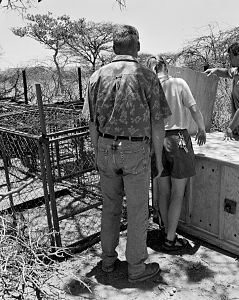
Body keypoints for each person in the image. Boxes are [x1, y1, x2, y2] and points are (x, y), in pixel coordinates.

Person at [85, 25, 171, 283]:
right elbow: (158, 123)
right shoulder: (146, 76)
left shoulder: (96, 76)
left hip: (104, 147)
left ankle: (108, 261)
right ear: (138, 47)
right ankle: (135, 268)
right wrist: (157, 158)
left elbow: (91, 123)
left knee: (110, 207)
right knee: (136, 211)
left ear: (113, 48)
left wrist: (98, 153)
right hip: (135, 150)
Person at [147, 55, 206, 251]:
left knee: (163, 191)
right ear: (166, 66)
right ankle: (170, 239)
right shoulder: (178, 83)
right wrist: (201, 128)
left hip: (156, 142)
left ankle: (165, 231)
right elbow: (194, 108)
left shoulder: (148, 88)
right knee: (178, 194)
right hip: (178, 140)